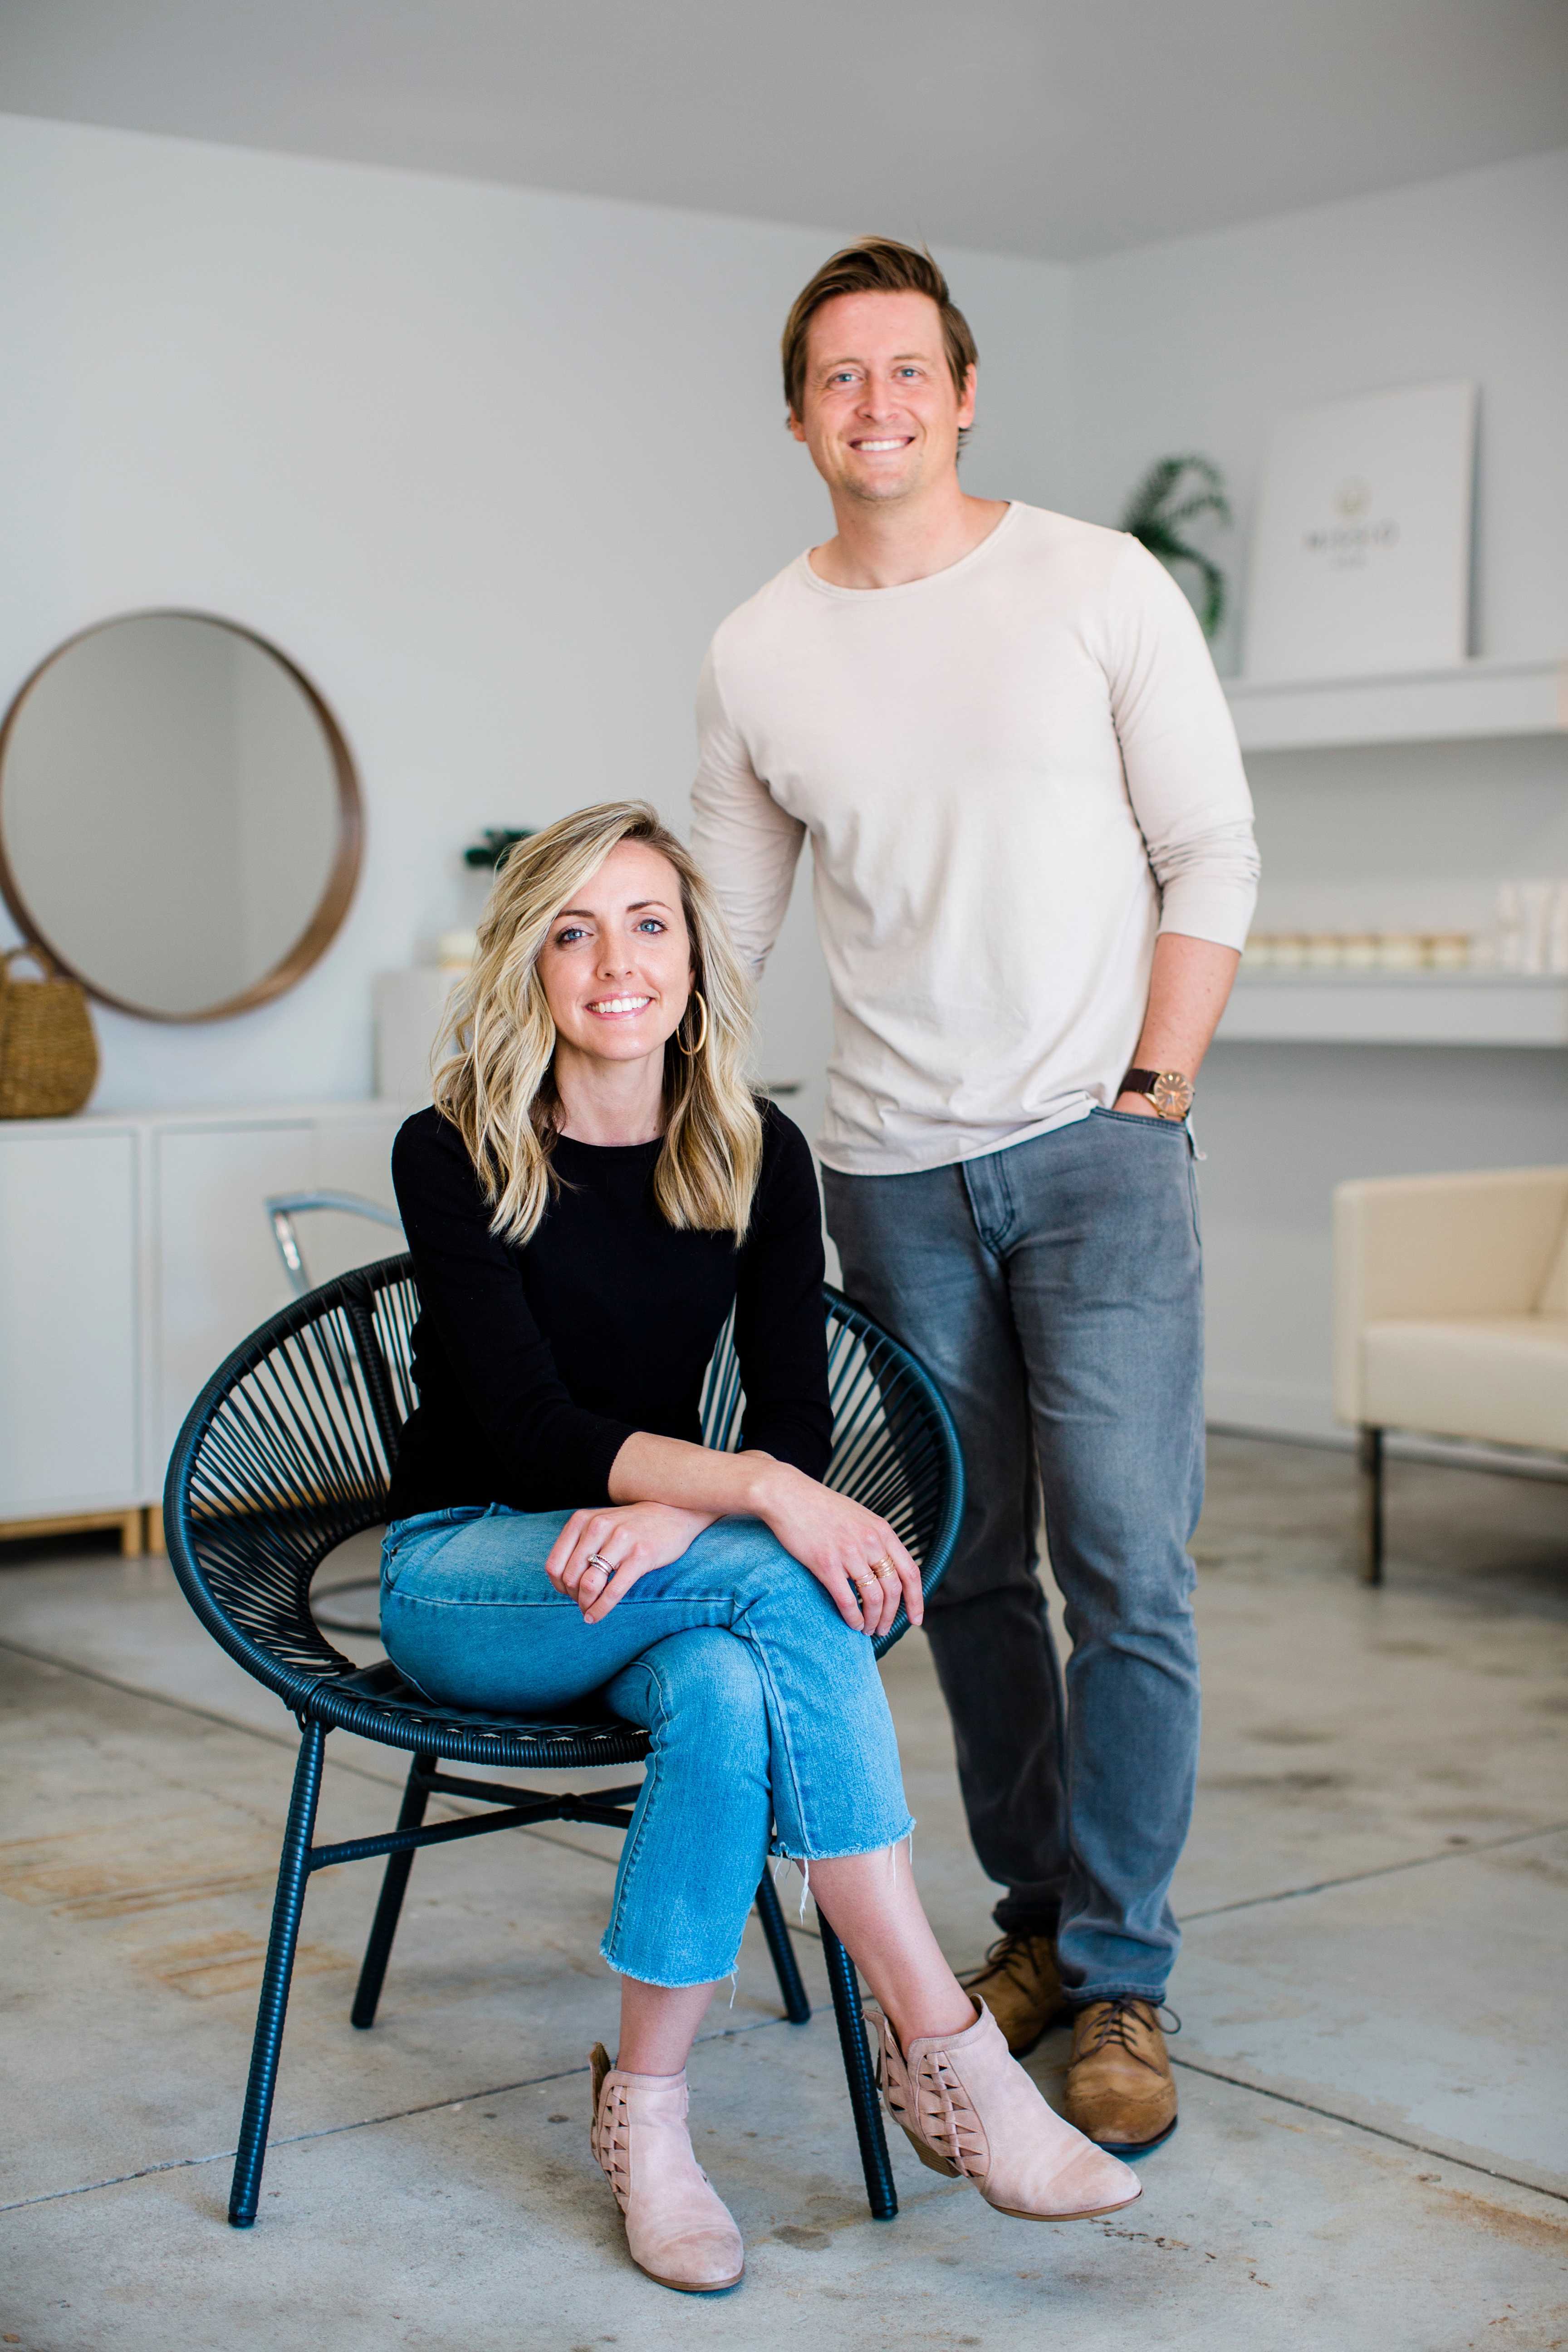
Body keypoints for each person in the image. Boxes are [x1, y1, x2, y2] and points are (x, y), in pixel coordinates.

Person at [380, 800, 1140, 2295]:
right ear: (530, 962)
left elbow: (792, 1412)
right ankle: (949, 2051)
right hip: (470, 1572)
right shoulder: (451, 1147)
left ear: (693, 957)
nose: (616, 963)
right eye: (574, 931)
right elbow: (531, 1433)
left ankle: (649, 2121)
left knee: (734, 1691)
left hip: (660, 1573)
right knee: (784, 1568)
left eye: (648, 924)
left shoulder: (754, 1150)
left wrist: (703, 1504)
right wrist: (761, 1497)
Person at [691, 240, 1259, 2158]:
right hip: (887, 1172)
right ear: (796, 416)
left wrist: (1150, 1097)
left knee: (1130, 1571)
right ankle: (1038, 1924)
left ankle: (1123, 1976)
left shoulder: (1097, 582)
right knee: (970, 1573)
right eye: (839, 377)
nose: (878, 403)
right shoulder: (759, 648)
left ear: (965, 391)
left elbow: (1211, 851)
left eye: (907, 369)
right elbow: (728, 935)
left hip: (1102, 1156)